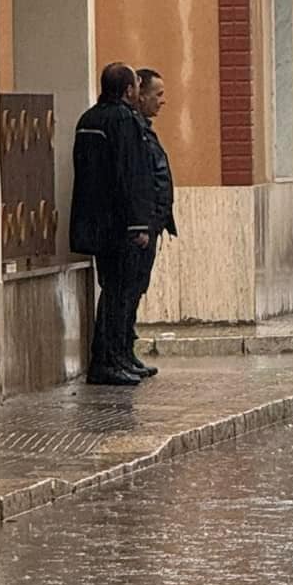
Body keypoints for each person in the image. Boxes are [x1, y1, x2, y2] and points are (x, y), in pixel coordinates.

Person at [69, 63, 156, 387]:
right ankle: (109, 359)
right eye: (135, 86)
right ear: (128, 90)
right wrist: (139, 225)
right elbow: (131, 174)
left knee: (113, 292)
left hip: (95, 224)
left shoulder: (88, 119)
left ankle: (116, 357)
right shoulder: (123, 121)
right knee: (118, 296)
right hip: (120, 227)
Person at [128, 67, 178, 378]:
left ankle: (127, 349)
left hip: (151, 225)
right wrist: (142, 224)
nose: (163, 101)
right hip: (140, 229)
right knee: (126, 292)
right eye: (157, 94)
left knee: (136, 291)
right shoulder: (133, 130)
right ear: (139, 93)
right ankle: (118, 352)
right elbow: (138, 181)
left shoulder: (143, 129)